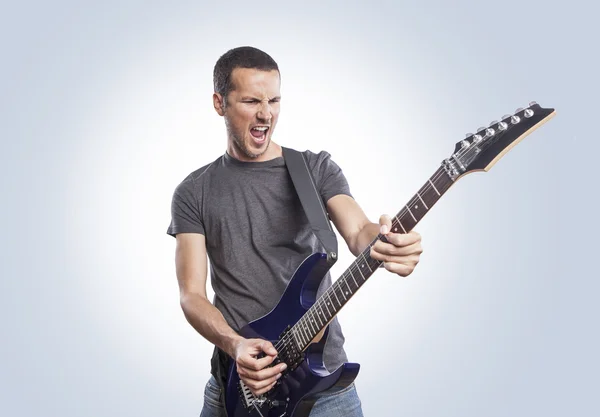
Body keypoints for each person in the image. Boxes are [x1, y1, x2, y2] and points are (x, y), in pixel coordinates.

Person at [167, 46, 423, 417]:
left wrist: (389, 244)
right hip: (237, 387)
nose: (265, 113)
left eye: (273, 100)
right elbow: (191, 295)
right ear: (219, 103)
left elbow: (359, 232)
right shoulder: (194, 192)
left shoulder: (314, 169)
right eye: (251, 101)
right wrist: (236, 345)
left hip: (322, 389)